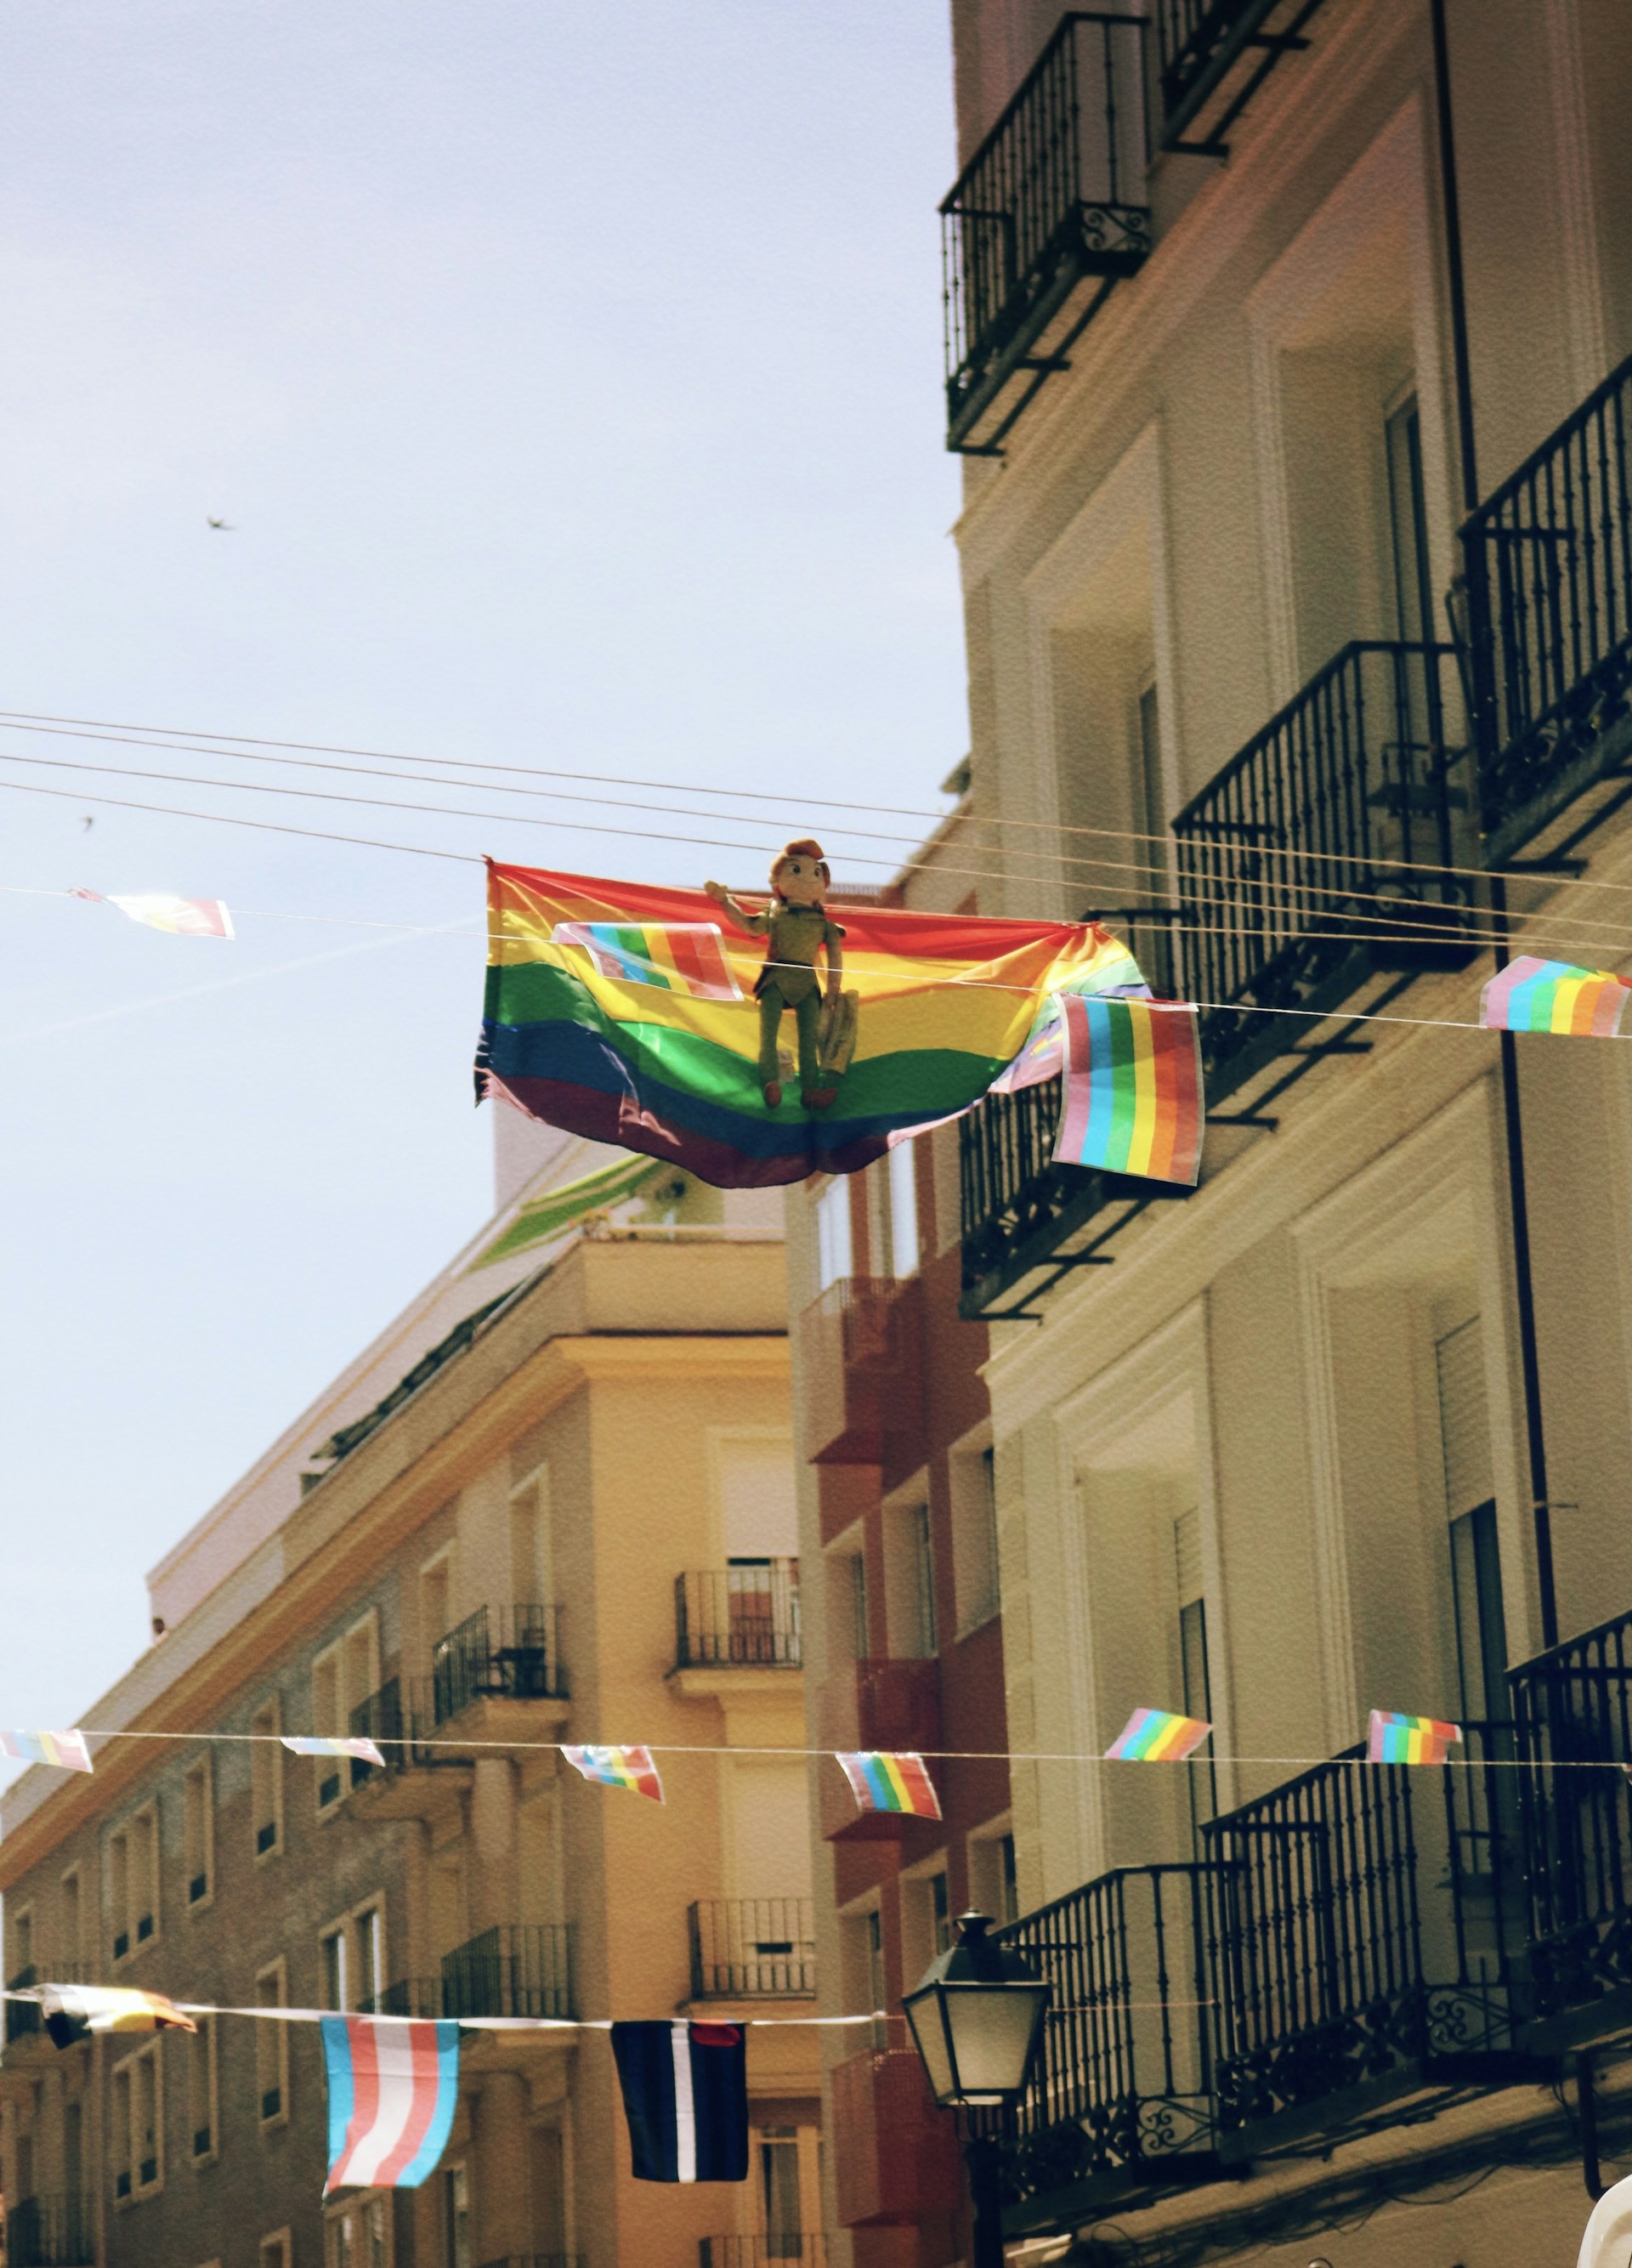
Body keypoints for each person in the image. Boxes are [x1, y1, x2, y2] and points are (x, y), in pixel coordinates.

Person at [705, 841, 847, 1108]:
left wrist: (833, 988)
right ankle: (769, 1081)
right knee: (768, 1034)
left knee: (809, 1041)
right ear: (778, 878)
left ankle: (810, 1090)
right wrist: (725, 902)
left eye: (815, 873)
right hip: (776, 976)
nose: (807, 877)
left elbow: (836, 957)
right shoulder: (776, 913)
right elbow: (750, 926)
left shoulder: (823, 924)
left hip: (807, 982)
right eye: (796, 870)